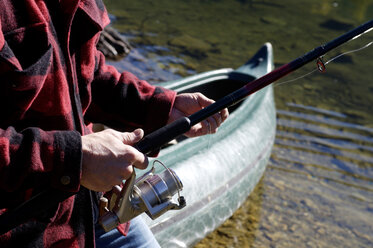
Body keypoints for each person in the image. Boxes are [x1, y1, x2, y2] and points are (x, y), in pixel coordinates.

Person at [0, 0, 228, 247]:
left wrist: (159, 106)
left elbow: (85, 73)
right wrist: (74, 158)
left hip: (92, 210)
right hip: (20, 231)